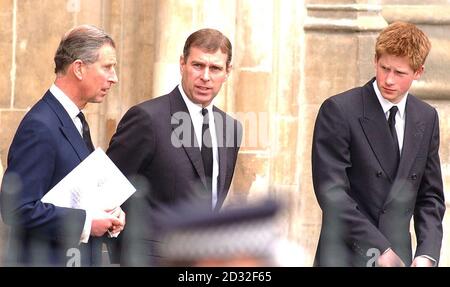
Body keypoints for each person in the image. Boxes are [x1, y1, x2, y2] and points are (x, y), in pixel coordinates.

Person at [312, 21, 445, 267]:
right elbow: (332, 194)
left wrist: (427, 253)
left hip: (400, 258)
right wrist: (379, 248)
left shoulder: (426, 117)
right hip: (346, 256)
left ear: (419, 72)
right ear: (375, 60)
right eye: (384, 68)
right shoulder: (339, 110)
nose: (389, 80)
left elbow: (430, 197)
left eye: (400, 73)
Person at [106, 28, 242, 266]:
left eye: (216, 68)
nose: (206, 77)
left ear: (227, 72)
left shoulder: (231, 128)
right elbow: (107, 190)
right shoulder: (146, 118)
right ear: (182, 64)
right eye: (198, 65)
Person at [0, 24, 125, 266]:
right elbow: (16, 208)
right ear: (79, 68)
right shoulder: (40, 125)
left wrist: (108, 212)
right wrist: (87, 222)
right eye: (107, 67)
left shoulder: (75, 118)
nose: (114, 77)